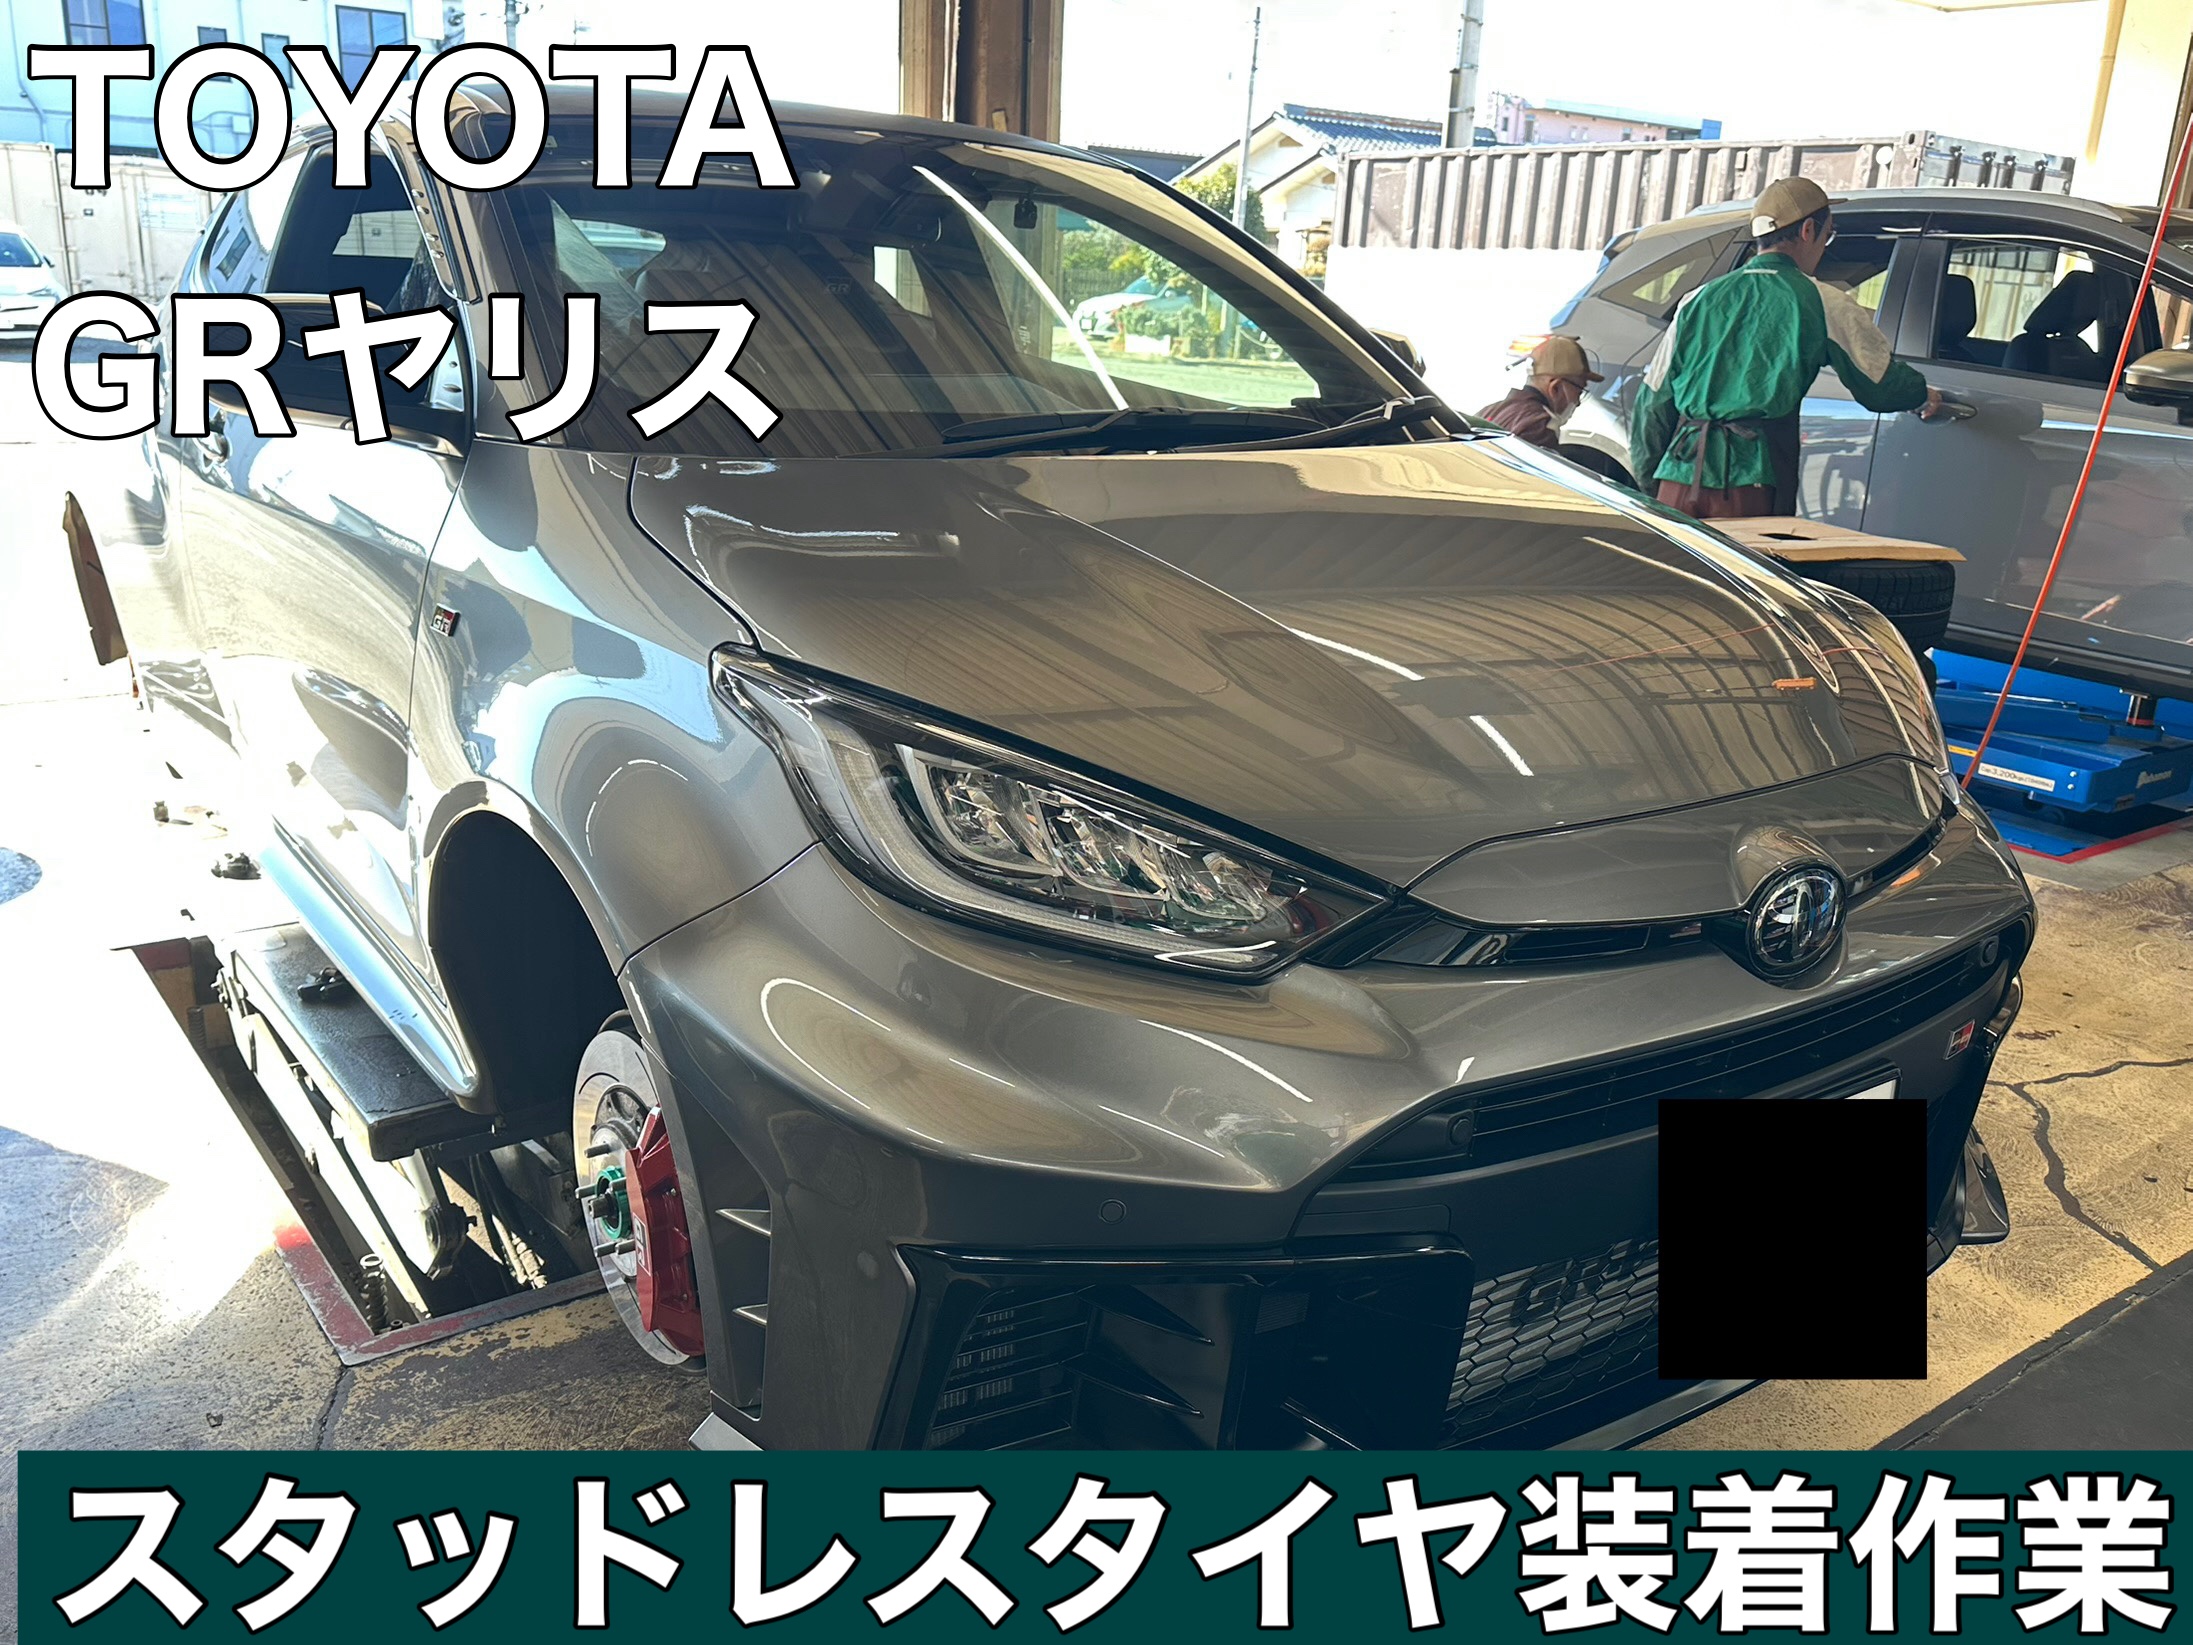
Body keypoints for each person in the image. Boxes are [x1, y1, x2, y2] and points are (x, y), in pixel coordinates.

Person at [1631, 175, 1952, 519]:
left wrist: (1652, 486)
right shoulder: (1823, 301)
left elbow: (1652, 404)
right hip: (1749, 482)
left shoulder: (1696, 299)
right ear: (1809, 231)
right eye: (1829, 234)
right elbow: (1880, 387)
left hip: (1677, 476)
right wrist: (1922, 396)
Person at [1479, 335, 1603, 449]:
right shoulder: (1541, 428)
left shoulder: (1490, 410)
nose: (1578, 402)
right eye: (1579, 391)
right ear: (1555, 388)